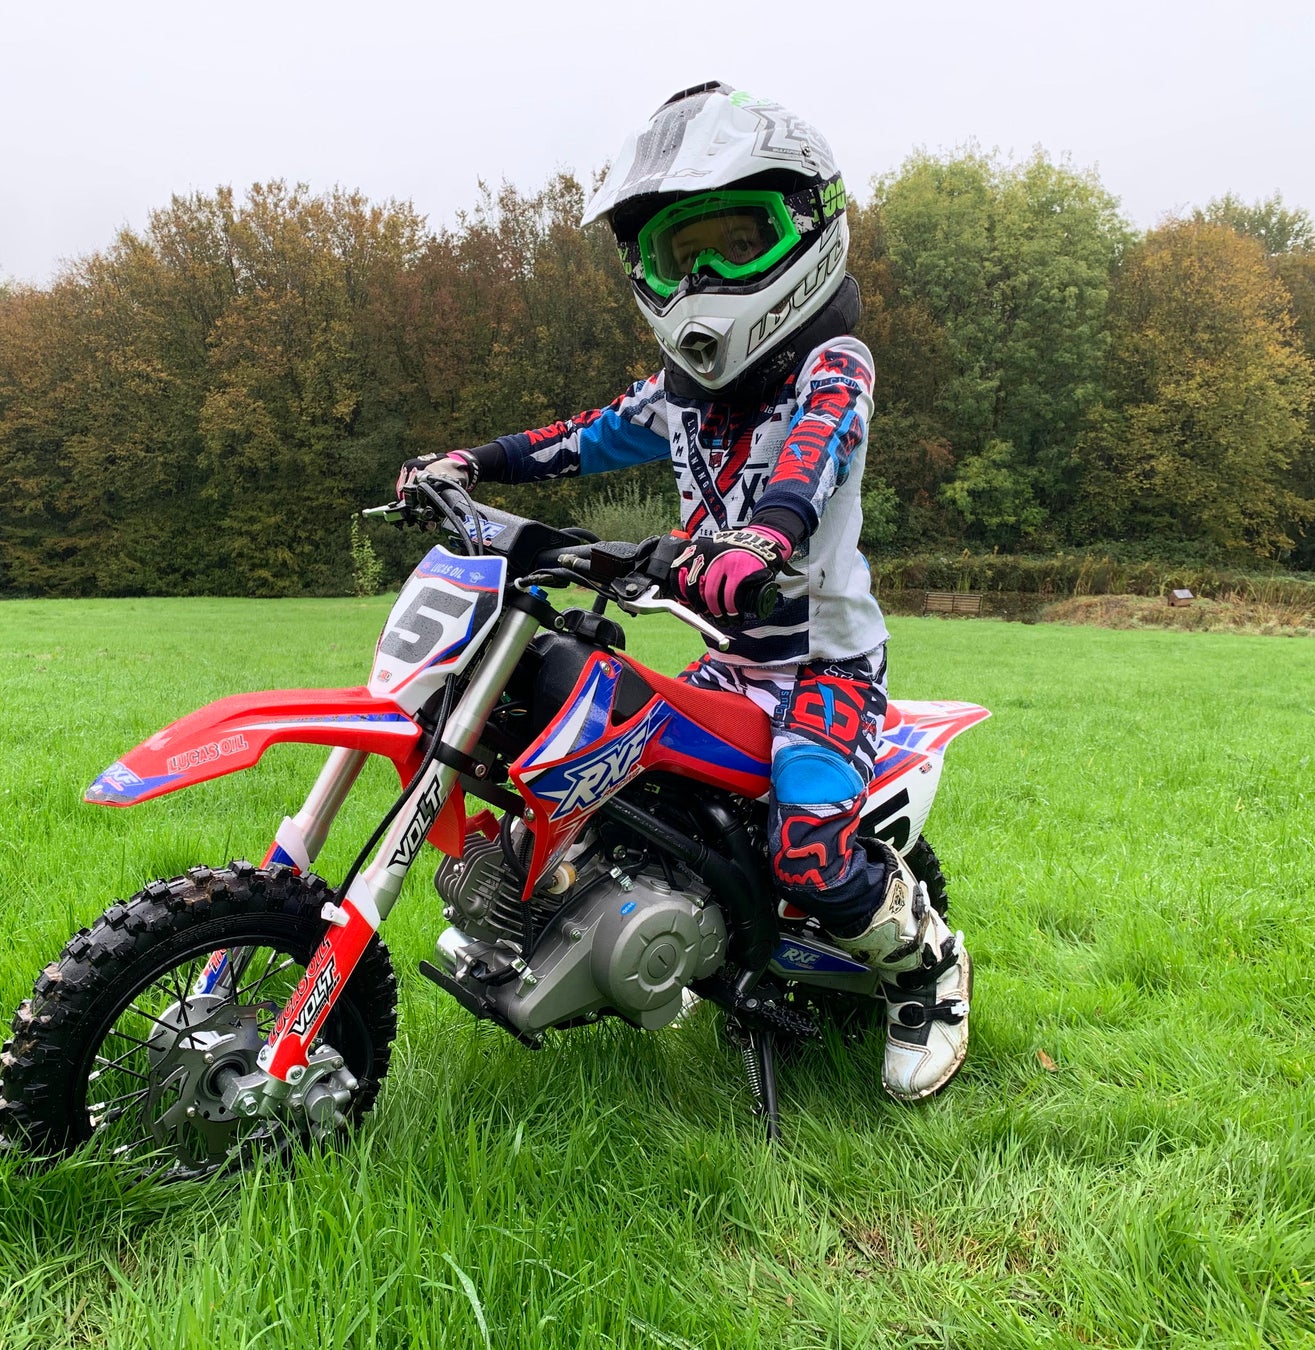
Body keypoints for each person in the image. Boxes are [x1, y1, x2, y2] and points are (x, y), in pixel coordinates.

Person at [397, 82, 968, 1102]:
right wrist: (467, 463)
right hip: (723, 657)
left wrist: (757, 539)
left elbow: (813, 457)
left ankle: (930, 970)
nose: (700, 276)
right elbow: (574, 438)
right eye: (672, 255)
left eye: (731, 241)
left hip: (822, 676)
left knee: (810, 855)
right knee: (605, 776)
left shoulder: (831, 368)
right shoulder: (678, 397)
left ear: (806, 228)